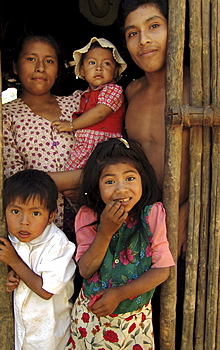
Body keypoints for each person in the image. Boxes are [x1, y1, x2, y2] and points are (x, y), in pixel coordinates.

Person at [66, 138, 175, 349]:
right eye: (109, 181)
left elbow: (162, 270)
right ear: (96, 188)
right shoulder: (88, 217)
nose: (121, 189)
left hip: (134, 322)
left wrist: (120, 294)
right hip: (90, 321)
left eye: (130, 178)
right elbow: (86, 270)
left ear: (143, 180)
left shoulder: (152, 215)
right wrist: (105, 232)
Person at [117, 0, 190, 258]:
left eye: (154, 26)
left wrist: (188, 211)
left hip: (192, 225)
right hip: (141, 229)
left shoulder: (195, 88)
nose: (143, 40)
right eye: (133, 33)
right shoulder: (131, 93)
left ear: (175, 29)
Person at [2, 33, 82, 236]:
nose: (40, 67)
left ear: (58, 69)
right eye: (31, 59)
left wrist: (87, 187)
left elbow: (104, 152)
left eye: (49, 61)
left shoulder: (78, 104)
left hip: (87, 218)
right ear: (15, 67)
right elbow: (16, 181)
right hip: (38, 231)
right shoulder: (5, 116)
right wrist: (81, 177)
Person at [0, 169, 76, 350]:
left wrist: (14, 262)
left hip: (49, 336)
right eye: (15, 211)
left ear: (50, 216)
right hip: (23, 333)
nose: (24, 221)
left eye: (35, 213)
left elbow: (46, 291)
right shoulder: (13, 238)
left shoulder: (58, 245)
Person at [52, 37, 127, 170]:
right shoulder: (82, 95)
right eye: (92, 63)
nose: (99, 68)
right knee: (72, 174)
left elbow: (99, 113)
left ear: (115, 71)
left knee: (94, 177)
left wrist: (71, 125)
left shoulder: (113, 90)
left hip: (104, 147)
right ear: (82, 70)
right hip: (84, 147)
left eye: (107, 64)